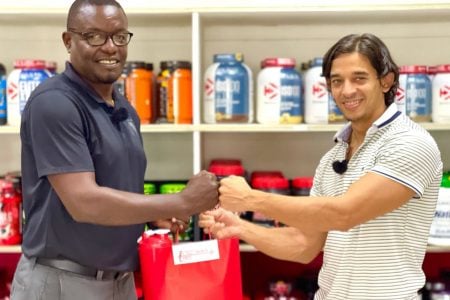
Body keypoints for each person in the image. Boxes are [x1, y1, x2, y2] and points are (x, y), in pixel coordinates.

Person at [200, 33, 442, 300]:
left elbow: (345, 214)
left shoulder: (411, 142)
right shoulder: (333, 157)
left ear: (386, 81)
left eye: (359, 78)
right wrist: (241, 228)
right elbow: (304, 245)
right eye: (337, 81)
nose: (347, 90)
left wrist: (250, 199)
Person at [10, 1, 219, 299]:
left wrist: (148, 216)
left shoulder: (124, 109)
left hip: (120, 283)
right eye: (94, 36)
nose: (110, 47)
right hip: (62, 281)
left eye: (119, 37)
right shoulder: (54, 103)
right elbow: (84, 201)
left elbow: (113, 185)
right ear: (68, 41)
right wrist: (180, 202)